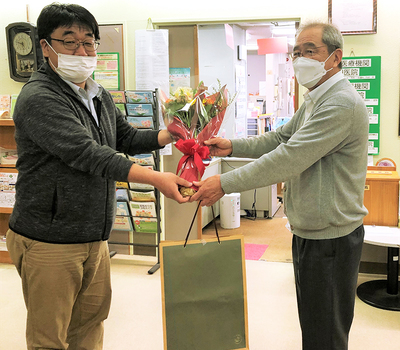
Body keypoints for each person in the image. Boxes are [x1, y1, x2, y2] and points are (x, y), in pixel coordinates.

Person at [6, 3, 191, 350]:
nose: (82, 50)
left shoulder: (97, 93)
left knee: (90, 326)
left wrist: (168, 135)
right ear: (45, 47)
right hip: (50, 240)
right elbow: (87, 154)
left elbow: (126, 138)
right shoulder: (38, 97)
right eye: (70, 41)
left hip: (94, 235)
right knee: (50, 338)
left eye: (89, 42)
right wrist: (156, 179)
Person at [191, 22, 369, 350]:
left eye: (310, 51)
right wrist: (232, 145)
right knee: (315, 327)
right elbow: (281, 137)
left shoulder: (340, 103)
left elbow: (288, 158)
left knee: (325, 335)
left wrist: (225, 182)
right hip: (309, 232)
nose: (300, 59)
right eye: (296, 53)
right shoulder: (317, 97)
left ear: (335, 56)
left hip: (331, 239)